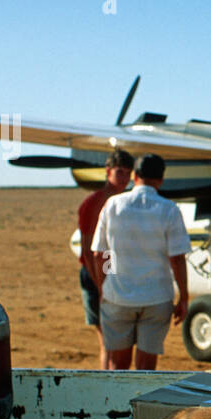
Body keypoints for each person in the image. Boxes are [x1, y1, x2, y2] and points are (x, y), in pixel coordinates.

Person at [90, 153, 191, 370]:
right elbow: (177, 258)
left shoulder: (113, 205)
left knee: (118, 365)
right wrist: (183, 296)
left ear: (135, 175)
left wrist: (104, 285)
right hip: (156, 298)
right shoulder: (169, 209)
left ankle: (117, 404)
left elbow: (101, 255)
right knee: (146, 368)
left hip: (117, 296)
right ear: (161, 180)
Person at [78, 150, 134, 368]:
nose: (124, 179)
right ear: (108, 171)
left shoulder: (124, 201)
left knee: (118, 342)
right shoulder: (94, 203)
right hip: (98, 274)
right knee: (109, 343)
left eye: (128, 174)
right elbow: (91, 250)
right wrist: (102, 284)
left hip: (115, 273)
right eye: (120, 172)